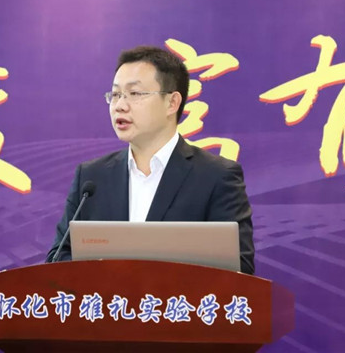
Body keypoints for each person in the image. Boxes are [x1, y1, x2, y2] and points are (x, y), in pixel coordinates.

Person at [46, 46, 255, 274]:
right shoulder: (92, 177)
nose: (120, 106)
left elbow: (239, 269)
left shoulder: (216, 177)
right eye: (115, 95)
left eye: (135, 94)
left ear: (172, 103)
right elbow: (58, 258)